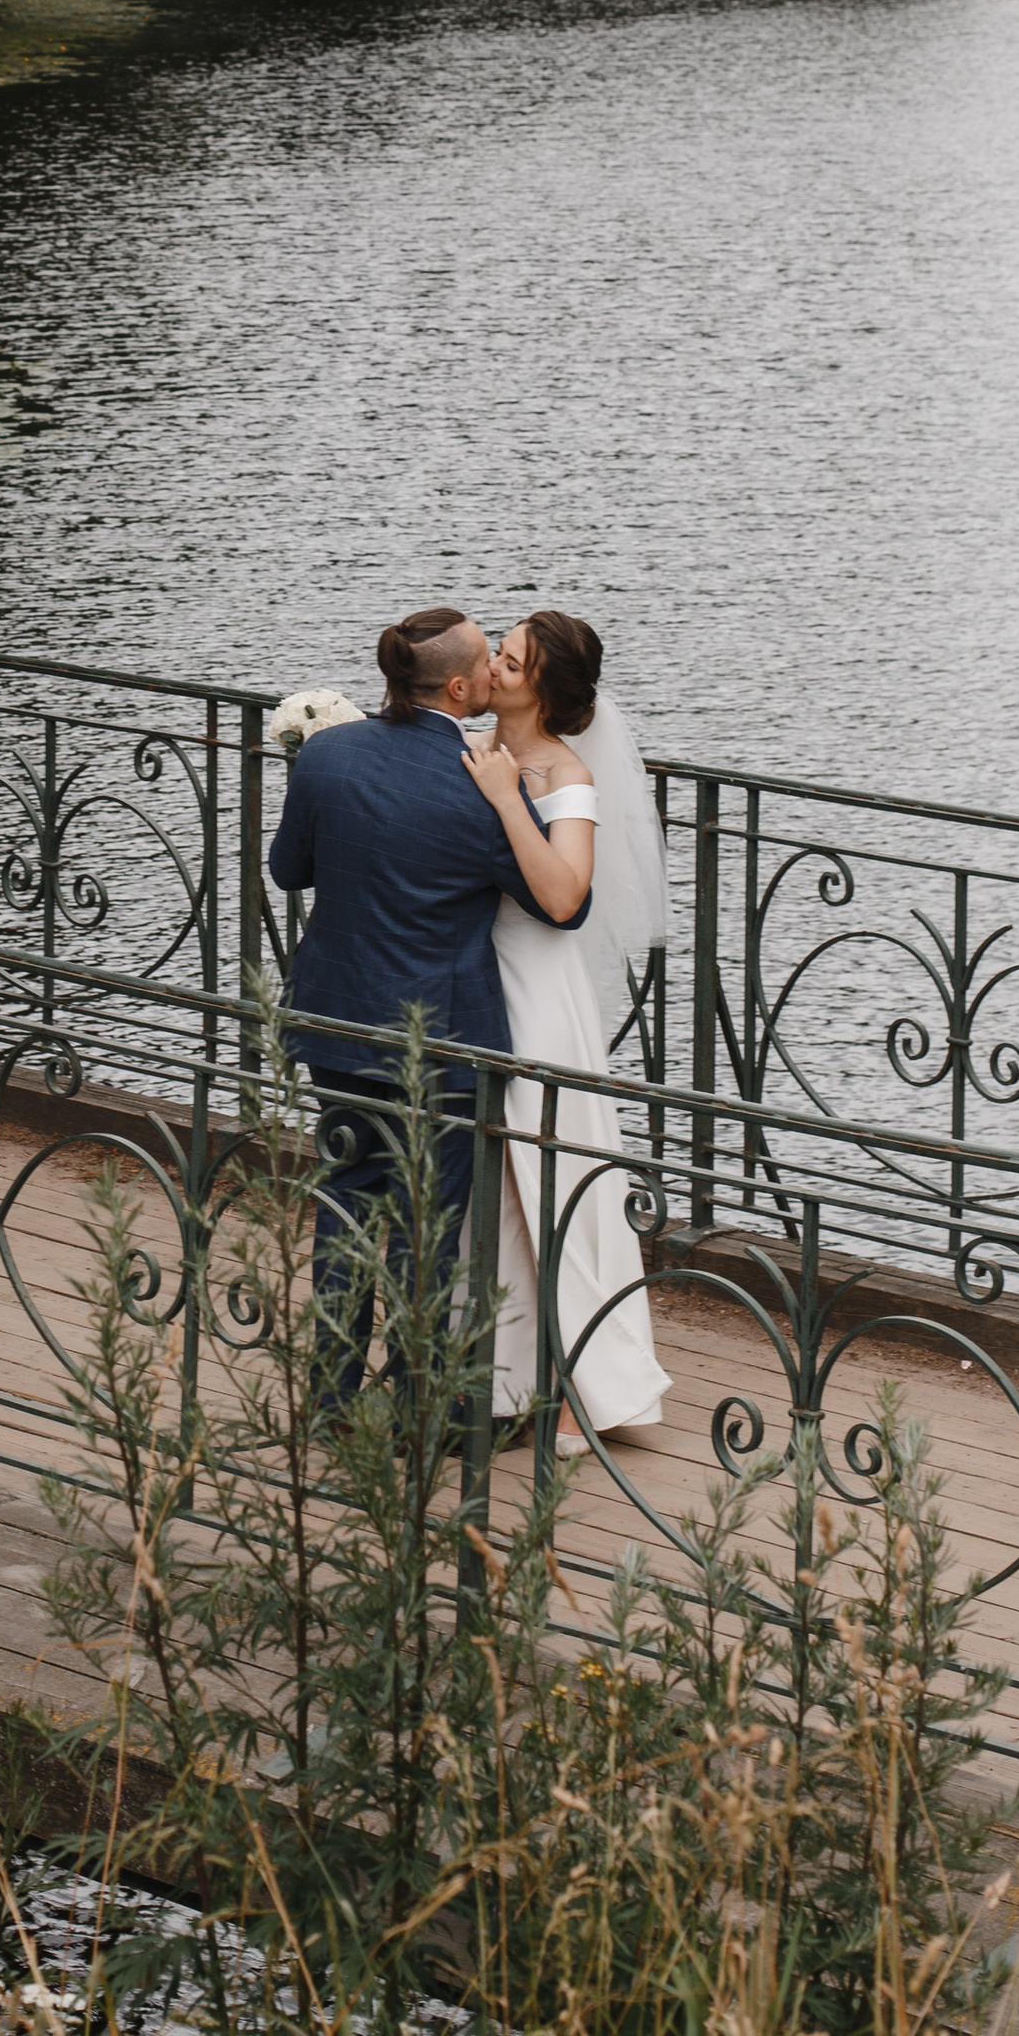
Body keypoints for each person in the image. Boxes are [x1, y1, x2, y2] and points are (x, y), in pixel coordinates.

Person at [267, 604, 559, 1403]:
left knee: (344, 1204)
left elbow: (288, 871)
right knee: (425, 1227)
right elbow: (556, 906)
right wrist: (514, 802)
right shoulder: (479, 788)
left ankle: (328, 1399)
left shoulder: (326, 754)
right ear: (461, 688)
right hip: (443, 1040)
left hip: (337, 1020)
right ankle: (412, 1406)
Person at [463, 612, 672, 1444]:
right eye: (496, 656)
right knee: (493, 1182)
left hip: (538, 989)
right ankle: (508, 1378)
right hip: (474, 979)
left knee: (551, 1180)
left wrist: (508, 800)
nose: (492, 669)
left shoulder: (565, 775)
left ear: (542, 690)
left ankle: (594, 1384)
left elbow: (562, 900)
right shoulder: (475, 745)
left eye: (508, 663)